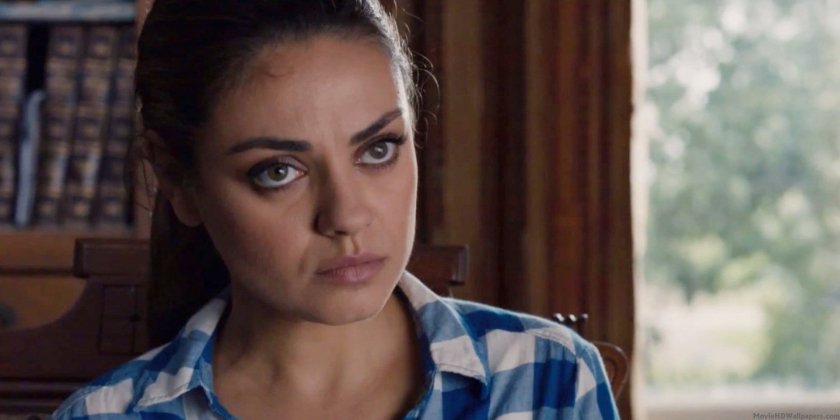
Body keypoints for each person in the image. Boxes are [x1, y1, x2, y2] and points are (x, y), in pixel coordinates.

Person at [52, 1, 620, 419]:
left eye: (378, 149)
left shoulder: (546, 382)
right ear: (177, 179)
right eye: (278, 171)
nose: (346, 217)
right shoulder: (104, 416)